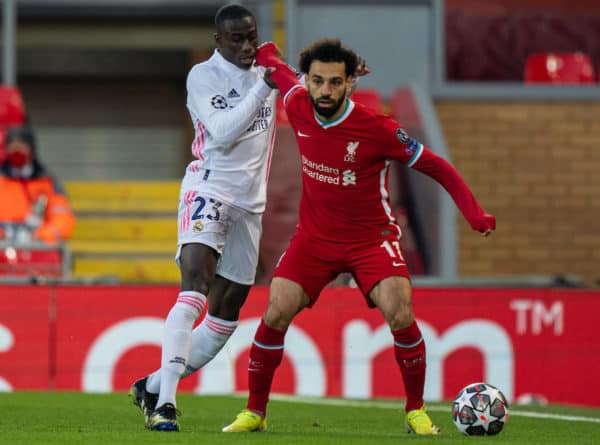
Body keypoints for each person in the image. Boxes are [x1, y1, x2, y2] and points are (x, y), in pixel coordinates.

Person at [222, 39, 496, 436]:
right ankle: (255, 412)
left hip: (371, 240)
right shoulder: (298, 104)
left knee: (399, 310)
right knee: (275, 310)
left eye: (335, 82)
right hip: (314, 239)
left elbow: (437, 167)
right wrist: (265, 53)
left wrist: (473, 212)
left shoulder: (379, 129)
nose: (325, 91)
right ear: (309, 81)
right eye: (318, 81)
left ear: (350, 82)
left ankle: (416, 410)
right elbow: (279, 71)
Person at [128, 3, 279, 432]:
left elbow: (308, 93)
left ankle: (153, 385)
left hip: (251, 205)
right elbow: (224, 130)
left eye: (251, 36)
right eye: (237, 38)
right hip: (208, 188)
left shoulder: (265, 70)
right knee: (194, 288)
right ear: (219, 40)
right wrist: (264, 85)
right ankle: (166, 406)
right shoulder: (203, 76)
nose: (247, 45)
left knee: (225, 316)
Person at [0, 125, 75, 245]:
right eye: (12, 146)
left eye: (21, 146)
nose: (17, 150)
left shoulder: (47, 182)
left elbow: (62, 217)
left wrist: (42, 237)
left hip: (38, 248)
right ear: (6, 149)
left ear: (31, 149)